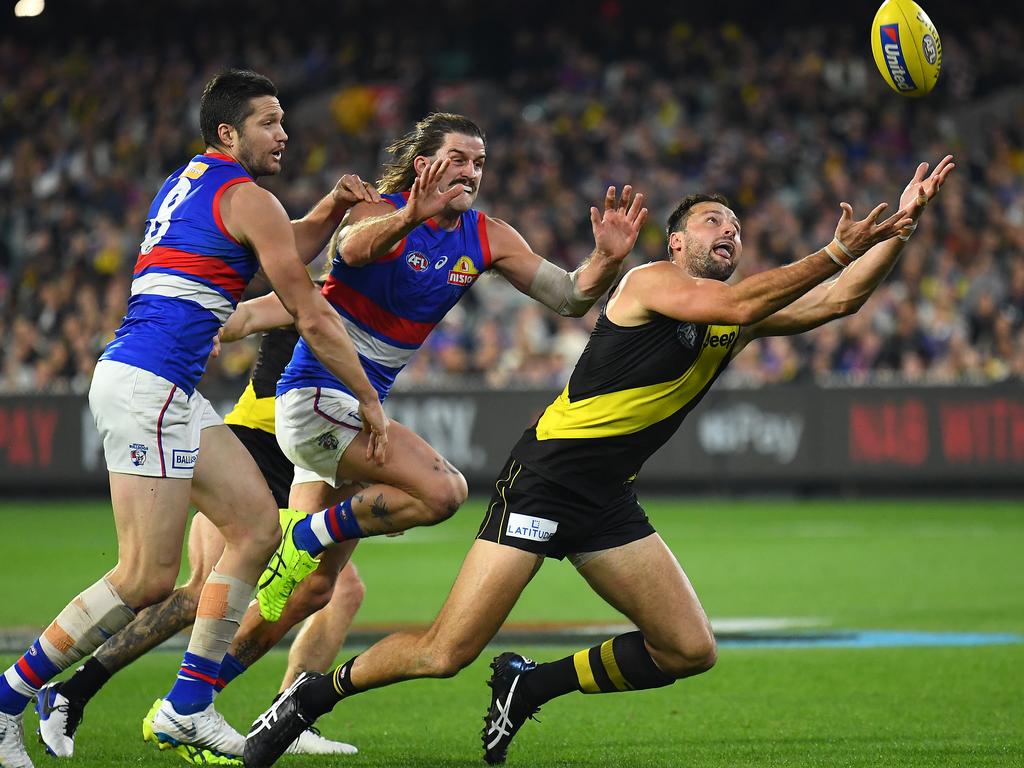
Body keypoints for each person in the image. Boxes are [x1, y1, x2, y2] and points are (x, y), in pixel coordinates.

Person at [241, 156, 955, 767]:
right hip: (546, 480)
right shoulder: (648, 283)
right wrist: (832, 251)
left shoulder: (727, 312)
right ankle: (309, 696)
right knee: (444, 652)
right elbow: (746, 303)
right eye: (712, 222)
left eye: (735, 225)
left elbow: (839, 301)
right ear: (676, 244)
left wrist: (900, 228)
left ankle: (530, 686)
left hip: (607, 495)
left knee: (687, 649)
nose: (729, 230)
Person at [0, 68, 389, 768]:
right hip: (152, 388)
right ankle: (8, 700)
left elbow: (280, 244)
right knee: (144, 577)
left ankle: (187, 707)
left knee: (255, 528)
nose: (285, 133)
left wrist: (330, 209)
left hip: (157, 386)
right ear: (229, 131)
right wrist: (366, 394)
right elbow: (309, 309)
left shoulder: (199, 184)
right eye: (270, 121)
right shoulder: (247, 195)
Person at [212, 111, 647, 641]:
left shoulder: (487, 235)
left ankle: (198, 698)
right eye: (458, 160)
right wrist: (410, 216)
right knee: (442, 492)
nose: (471, 172)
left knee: (316, 590)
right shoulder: (379, 210)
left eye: (479, 163)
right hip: (316, 401)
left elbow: (570, 296)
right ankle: (306, 536)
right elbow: (349, 249)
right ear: (423, 165)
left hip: (350, 413)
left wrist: (604, 259)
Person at [35, 328, 361, 763]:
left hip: (310, 452)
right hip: (258, 443)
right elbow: (262, 291)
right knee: (201, 589)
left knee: (327, 589)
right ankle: (87, 693)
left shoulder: (368, 292)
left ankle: (282, 717)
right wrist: (215, 323)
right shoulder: (324, 282)